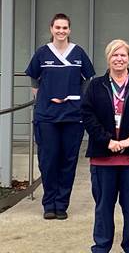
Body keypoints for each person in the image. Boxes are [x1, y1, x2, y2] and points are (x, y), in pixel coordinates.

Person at [81, 39, 129, 253]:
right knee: (104, 207)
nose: (119, 59)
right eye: (115, 55)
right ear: (108, 58)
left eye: (123, 55)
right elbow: (87, 116)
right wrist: (107, 141)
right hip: (102, 158)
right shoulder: (96, 85)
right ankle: (102, 247)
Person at [25, 13, 95, 220]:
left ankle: (62, 204)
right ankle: (49, 204)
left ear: (69, 30)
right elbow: (34, 77)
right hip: (47, 116)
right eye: (58, 27)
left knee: (68, 160)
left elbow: (87, 78)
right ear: (51, 29)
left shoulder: (78, 53)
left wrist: (79, 99)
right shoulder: (43, 53)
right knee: (48, 160)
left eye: (65, 28)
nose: (61, 31)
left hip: (72, 115)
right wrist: (40, 95)